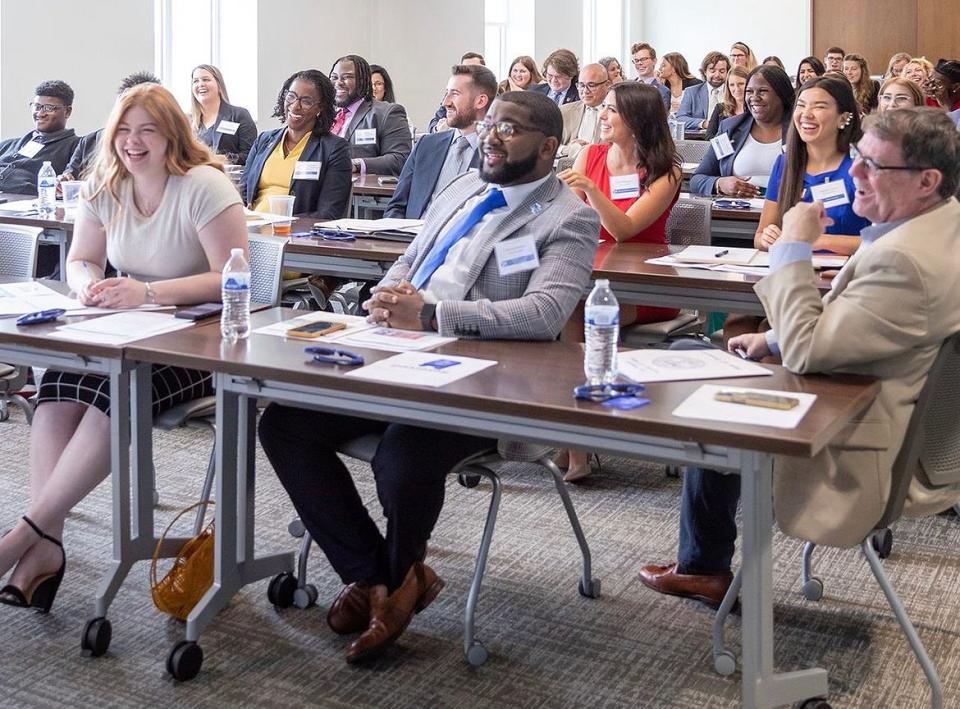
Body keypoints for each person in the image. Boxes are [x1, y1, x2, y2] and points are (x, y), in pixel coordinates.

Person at [257, 90, 600, 664]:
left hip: (483, 380)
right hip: (395, 354)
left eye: (509, 130)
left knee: (402, 455)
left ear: (547, 147)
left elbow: (542, 316)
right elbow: (410, 259)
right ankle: (379, 579)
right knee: (286, 425)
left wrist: (434, 316)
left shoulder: (570, 218)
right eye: (490, 124)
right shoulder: (463, 187)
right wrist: (387, 294)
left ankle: (386, 587)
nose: (491, 136)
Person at [639, 108, 960, 607]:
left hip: (846, 445)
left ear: (927, 181)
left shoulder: (905, 261)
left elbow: (810, 349)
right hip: (859, 402)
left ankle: (703, 565)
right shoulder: (940, 228)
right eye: (857, 159)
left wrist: (792, 245)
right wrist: (770, 342)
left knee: (699, 381)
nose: (854, 175)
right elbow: (865, 328)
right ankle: (702, 561)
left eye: (873, 166)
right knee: (706, 359)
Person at [0, 83, 247, 613]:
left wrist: (149, 291)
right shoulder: (106, 181)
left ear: (171, 136)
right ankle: (45, 542)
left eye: (147, 131)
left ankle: (24, 539)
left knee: (115, 394)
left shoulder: (203, 185)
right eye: (124, 132)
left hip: (199, 339)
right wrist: (87, 279)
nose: (133, 143)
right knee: (58, 386)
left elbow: (231, 276)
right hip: (124, 327)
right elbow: (82, 258)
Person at [557, 82, 682, 482]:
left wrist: (591, 189)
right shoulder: (589, 154)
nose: (603, 117)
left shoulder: (665, 172)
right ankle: (576, 435)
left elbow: (625, 229)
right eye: (605, 109)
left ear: (637, 120)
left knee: (574, 314)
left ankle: (574, 441)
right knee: (567, 309)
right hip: (593, 273)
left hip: (647, 285)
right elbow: (571, 220)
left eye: (612, 110)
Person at [755, 76, 870, 257]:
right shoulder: (784, 164)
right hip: (793, 270)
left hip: (849, 276)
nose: (806, 114)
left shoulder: (862, 167)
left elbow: (883, 240)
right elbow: (759, 236)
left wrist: (816, 241)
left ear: (844, 118)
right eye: (801, 105)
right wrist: (767, 238)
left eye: (819, 106)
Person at [384, 64, 497, 219]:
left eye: (455, 94)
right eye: (446, 93)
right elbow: (396, 206)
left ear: (480, 101)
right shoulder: (427, 145)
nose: (446, 102)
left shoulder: (499, 153)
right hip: (412, 238)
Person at [242, 70, 352, 220]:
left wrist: (283, 221)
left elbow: (329, 213)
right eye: (291, 97)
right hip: (252, 230)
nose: (294, 106)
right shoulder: (264, 140)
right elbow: (242, 193)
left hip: (294, 234)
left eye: (306, 101)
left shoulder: (334, 148)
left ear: (320, 109)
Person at [692, 65, 793, 197]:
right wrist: (720, 183)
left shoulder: (800, 130)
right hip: (738, 213)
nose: (754, 98)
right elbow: (697, 179)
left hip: (786, 211)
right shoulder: (730, 128)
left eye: (763, 91)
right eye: (749, 91)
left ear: (781, 94)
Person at [60, 72, 160, 182]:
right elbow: (70, 177)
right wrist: (64, 181)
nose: (132, 140)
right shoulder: (89, 142)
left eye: (146, 129)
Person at [329, 54, 412, 176]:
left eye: (347, 77)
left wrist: (356, 165)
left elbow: (400, 159)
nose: (338, 83)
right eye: (334, 77)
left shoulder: (387, 113)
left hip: (359, 192)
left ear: (363, 81)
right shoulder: (324, 114)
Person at [0, 80, 79, 195]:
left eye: (48, 108)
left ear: (67, 111)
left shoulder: (77, 147)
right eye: (37, 106)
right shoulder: (7, 145)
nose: (40, 113)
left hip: (29, 208)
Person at [190, 64, 257, 164]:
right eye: (195, 81)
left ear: (219, 85)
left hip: (229, 178)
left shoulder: (239, 115)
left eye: (206, 79)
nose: (200, 84)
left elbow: (252, 155)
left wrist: (222, 159)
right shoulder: (187, 122)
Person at [557, 63, 610, 159]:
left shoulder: (617, 113)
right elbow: (548, 145)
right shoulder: (564, 111)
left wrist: (591, 149)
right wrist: (567, 149)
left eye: (591, 85)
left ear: (607, 85)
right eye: (581, 85)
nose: (585, 91)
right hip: (569, 167)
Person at [428, 52, 485, 132]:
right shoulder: (452, 95)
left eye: (475, 69)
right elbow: (434, 122)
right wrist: (438, 128)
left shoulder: (494, 98)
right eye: (466, 70)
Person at [677, 51, 730, 132]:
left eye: (722, 71)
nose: (717, 75)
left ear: (727, 72)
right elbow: (680, 118)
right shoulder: (691, 92)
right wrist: (704, 123)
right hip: (699, 137)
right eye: (712, 71)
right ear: (705, 72)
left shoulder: (733, 91)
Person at [704, 65, 749, 140]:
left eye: (741, 84)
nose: (736, 89)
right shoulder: (720, 108)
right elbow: (709, 136)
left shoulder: (756, 109)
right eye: (732, 85)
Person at [629, 42, 671, 109]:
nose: (640, 63)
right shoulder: (627, 87)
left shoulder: (663, 92)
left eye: (643, 59)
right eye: (636, 60)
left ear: (654, 61)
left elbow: (660, 117)